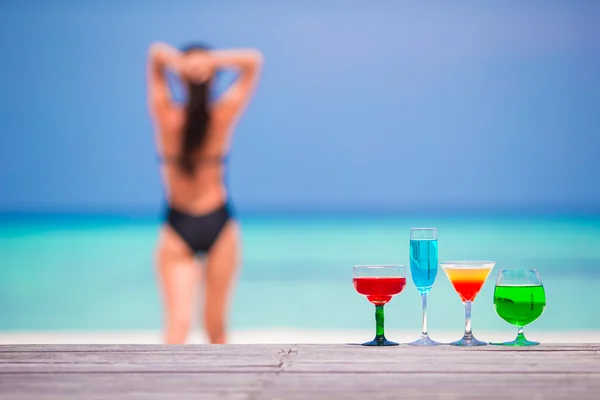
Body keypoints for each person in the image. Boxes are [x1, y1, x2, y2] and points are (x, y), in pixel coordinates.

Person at [147, 41, 263, 344]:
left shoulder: (221, 116)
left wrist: (207, 60)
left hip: (219, 226)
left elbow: (253, 60)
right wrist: (185, 62)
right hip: (177, 228)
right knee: (178, 325)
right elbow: (156, 53)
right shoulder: (168, 117)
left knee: (216, 326)